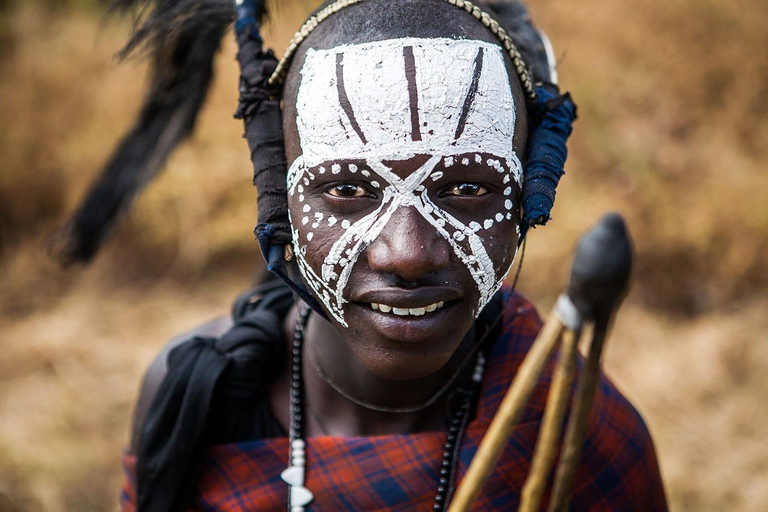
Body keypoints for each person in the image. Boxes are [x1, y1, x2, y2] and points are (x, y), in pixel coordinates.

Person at [60, 0, 667, 510]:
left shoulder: (579, 434)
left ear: (528, 193)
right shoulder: (194, 395)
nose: (407, 253)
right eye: (347, 189)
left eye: (465, 187)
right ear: (281, 193)